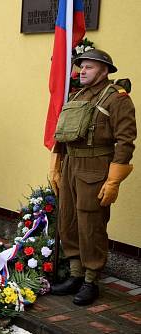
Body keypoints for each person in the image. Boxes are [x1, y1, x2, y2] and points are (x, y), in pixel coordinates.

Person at [49, 49, 136, 306]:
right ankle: (75, 274)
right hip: (71, 165)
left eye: (89, 67)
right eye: (81, 67)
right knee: (68, 220)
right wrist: (55, 164)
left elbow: (126, 141)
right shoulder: (76, 96)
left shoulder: (117, 99)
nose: (82, 71)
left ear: (104, 70)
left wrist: (114, 179)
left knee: (91, 224)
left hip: (96, 167)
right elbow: (62, 133)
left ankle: (91, 279)